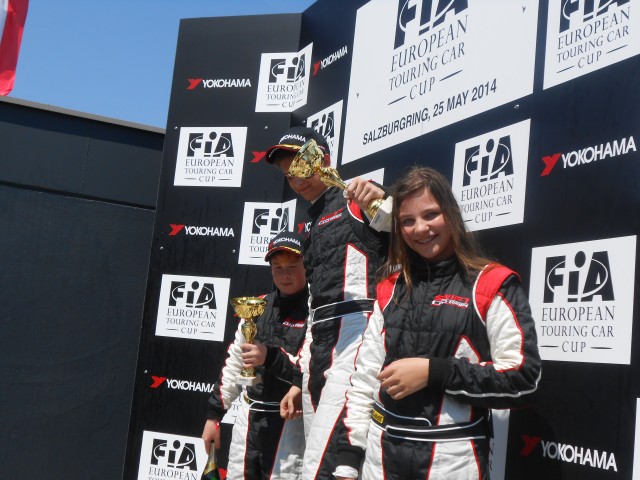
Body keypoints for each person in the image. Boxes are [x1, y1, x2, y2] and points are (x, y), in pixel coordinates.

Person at [335, 166, 542, 480]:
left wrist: (434, 372)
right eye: (407, 220)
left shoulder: (490, 283)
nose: (420, 229)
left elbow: (523, 378)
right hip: (380, 459)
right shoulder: (390, 287)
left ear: (451, 214)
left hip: (453, 462)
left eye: (430, 215)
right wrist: (349, 459)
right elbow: (365, 379)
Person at [265, 127, 390, 479]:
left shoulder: (355, 199)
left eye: (301, 166)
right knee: (324, 459)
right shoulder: (312, 224)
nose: (296, 179)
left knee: (322, 467)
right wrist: (299, 376)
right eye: (288, 174)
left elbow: (402, 226)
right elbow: (314, 303)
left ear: (323, 160)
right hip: (319, 343)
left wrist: (384, 198)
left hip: (356, 336)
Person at [202, 232, 309, 480]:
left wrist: (270, 358)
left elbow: (313, 369)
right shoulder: (257, 307)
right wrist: (214, 416)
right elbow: (234, 364)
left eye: (293, 266)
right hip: (249, 419)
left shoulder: (317, 309)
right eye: (278, 267)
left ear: (307, 266)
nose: (285, 274)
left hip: (291, 423)